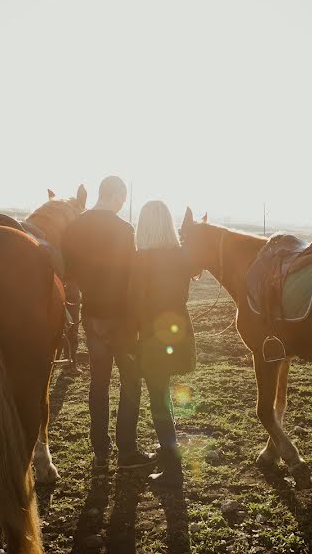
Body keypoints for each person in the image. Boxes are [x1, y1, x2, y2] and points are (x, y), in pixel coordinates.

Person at [62, 176, 156, 471]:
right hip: (121, 319)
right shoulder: (123, 229)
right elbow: (133, 278)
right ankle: (127, 451)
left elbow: (69, 272)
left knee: (99, 383)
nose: (123, 204)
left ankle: (101, 451)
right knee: (130, 383)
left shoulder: (76, 226)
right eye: (123, 198)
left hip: (91, 317)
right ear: (114, 195)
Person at [128, 200, 196, 487]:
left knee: (158, 398)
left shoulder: (140, 259)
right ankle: (170, 448)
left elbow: (134, 304)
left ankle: (171, 464)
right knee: (165, 393)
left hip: (153, 337)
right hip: (178, 332)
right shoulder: (182, 256)